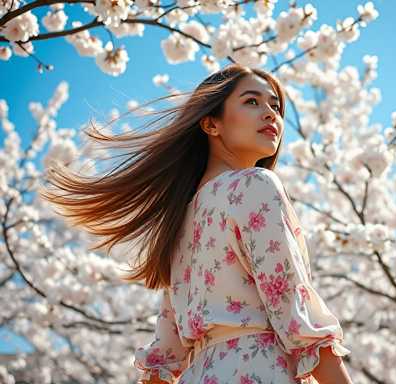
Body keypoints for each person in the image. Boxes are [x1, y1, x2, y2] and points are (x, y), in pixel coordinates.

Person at [40, 63, 354, 384]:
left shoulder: (178, 222)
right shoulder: (255, 185)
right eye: (251, 101)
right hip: (262, 370)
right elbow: (296, 316)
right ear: (211, 124)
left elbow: (165, 355)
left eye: (275, 105)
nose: (271, 113)